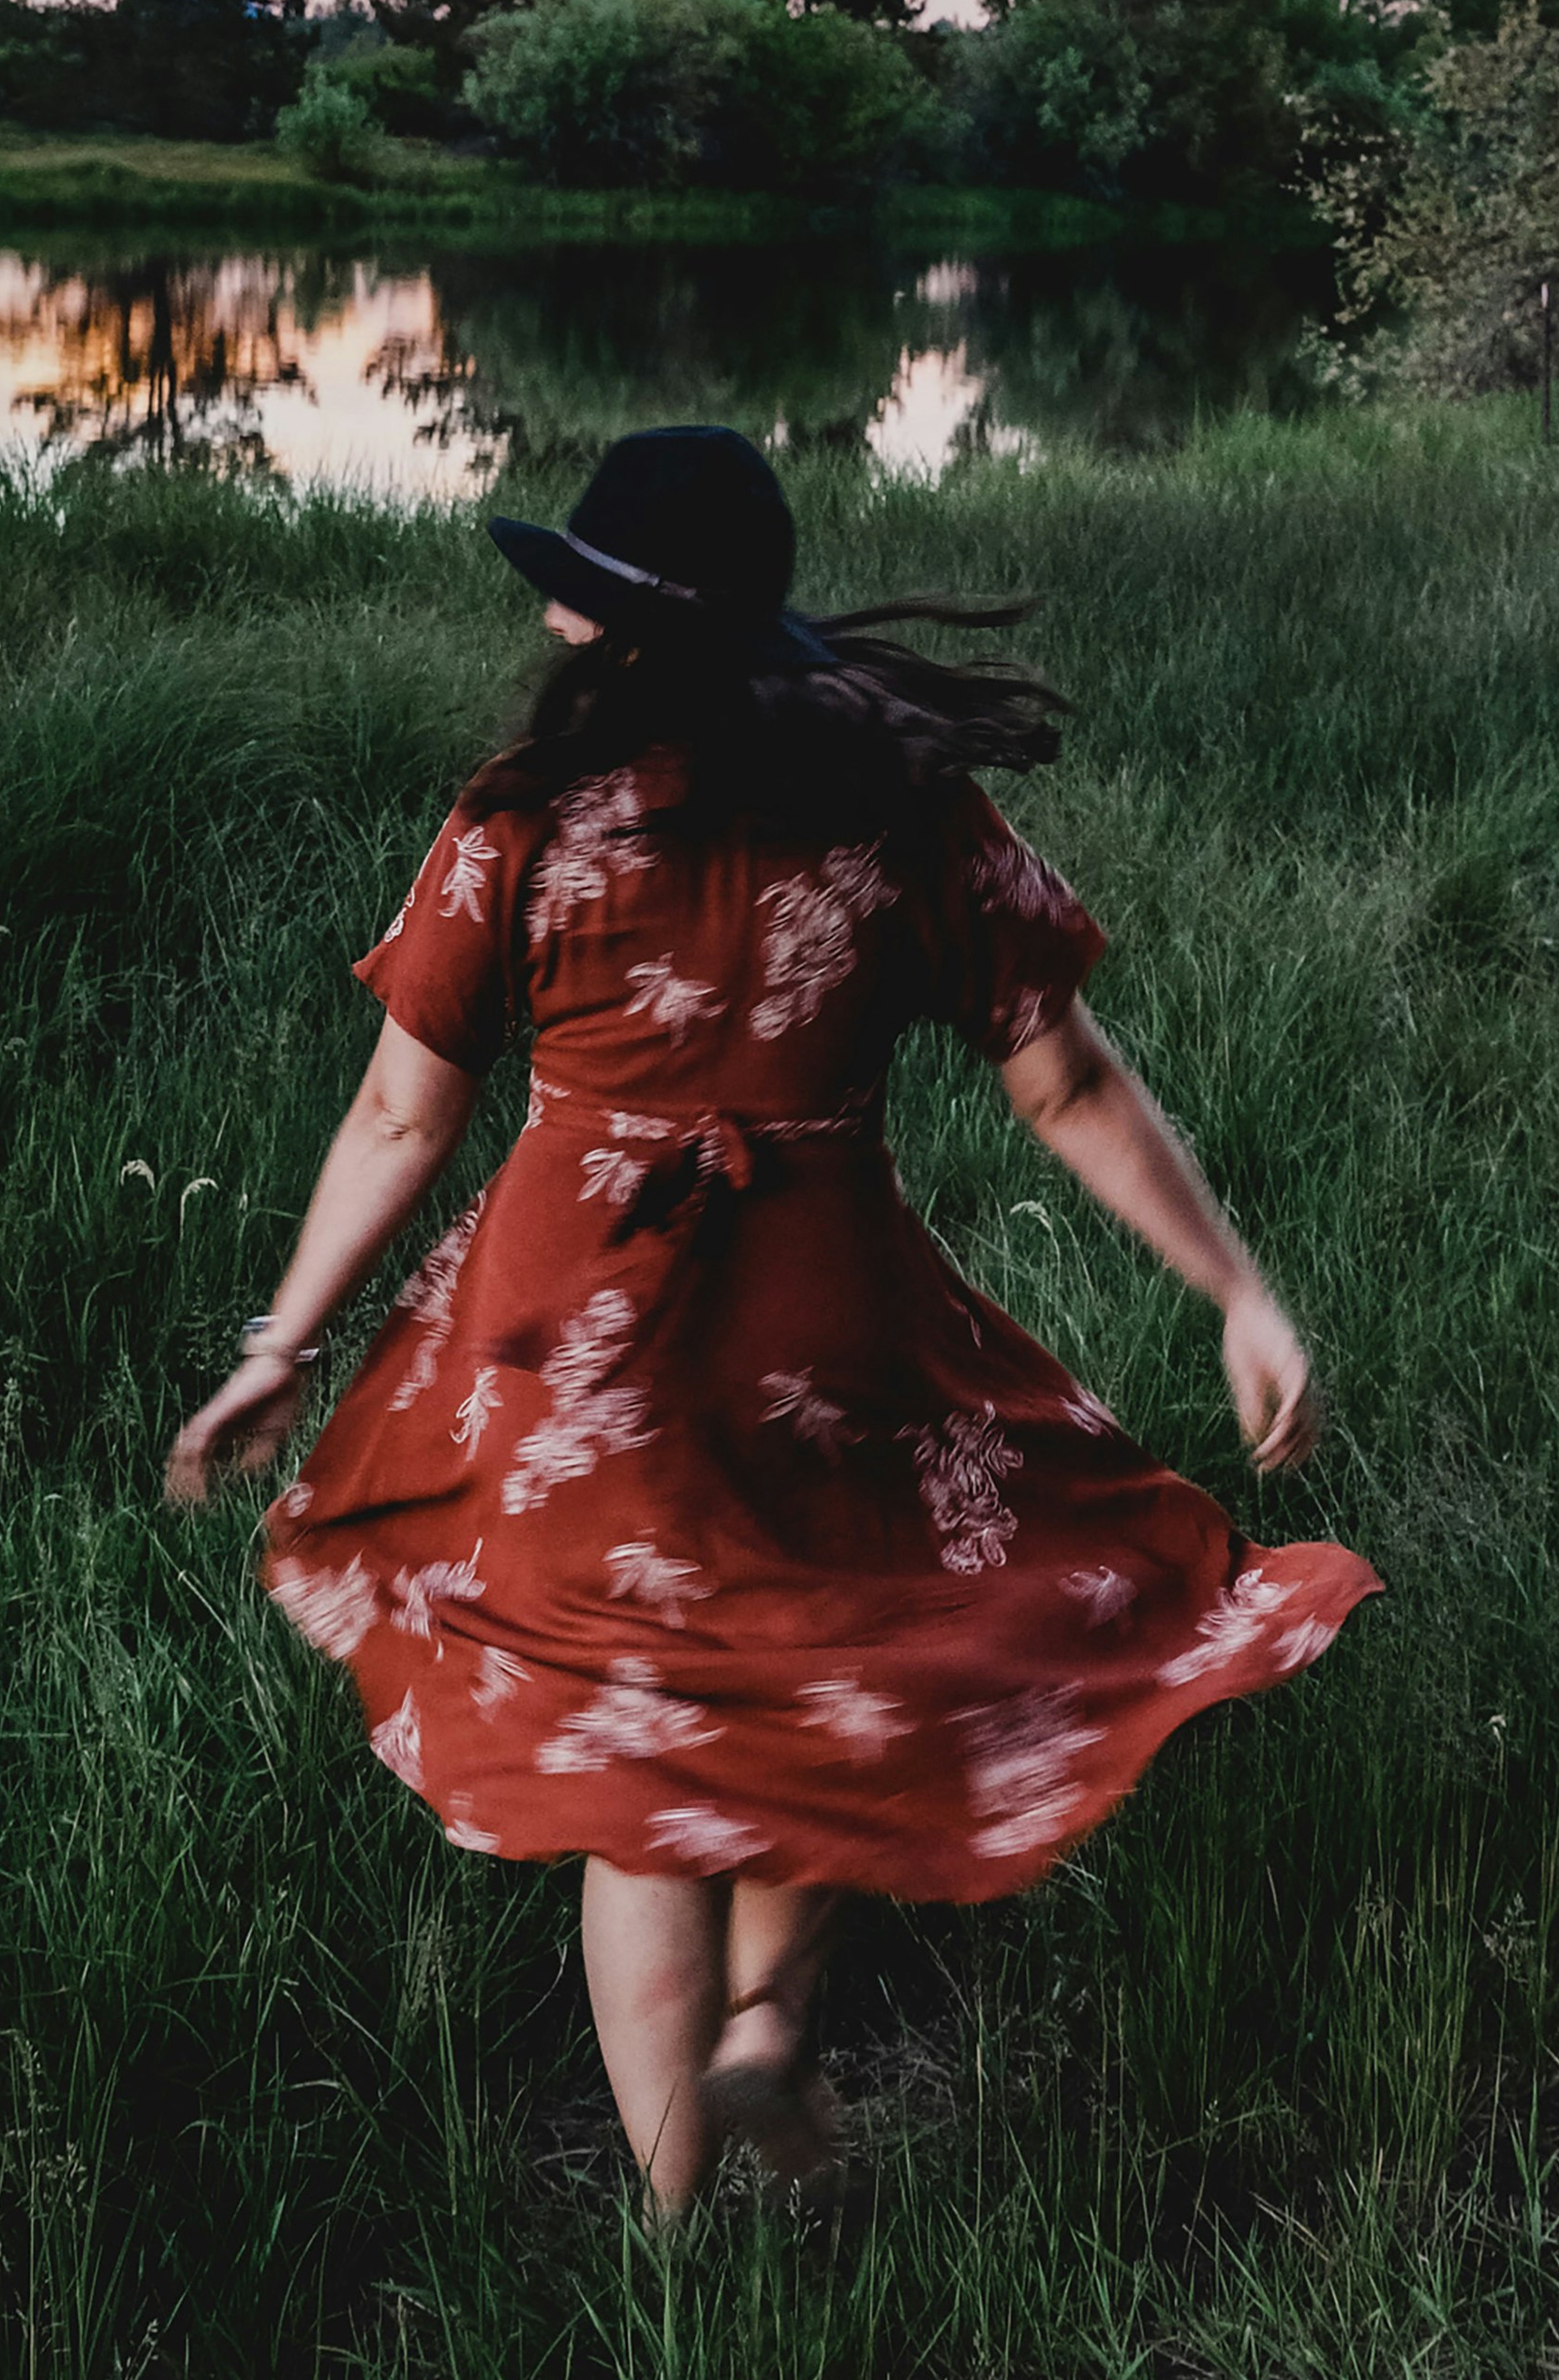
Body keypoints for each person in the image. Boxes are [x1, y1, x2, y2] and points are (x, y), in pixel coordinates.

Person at [167, 426, 1381, 2218]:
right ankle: (765, 2010)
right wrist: (1236, 1288)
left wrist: (284, 1336)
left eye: (580, 593)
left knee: (639, 1746)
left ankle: (670, 2238)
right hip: (825, 1304)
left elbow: (402, 1119)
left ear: (621, 623)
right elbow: (1066, 1085)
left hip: (586, 1329)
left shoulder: (524, 820)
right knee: (827, 1655)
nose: (559, 620)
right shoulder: (902, 803)